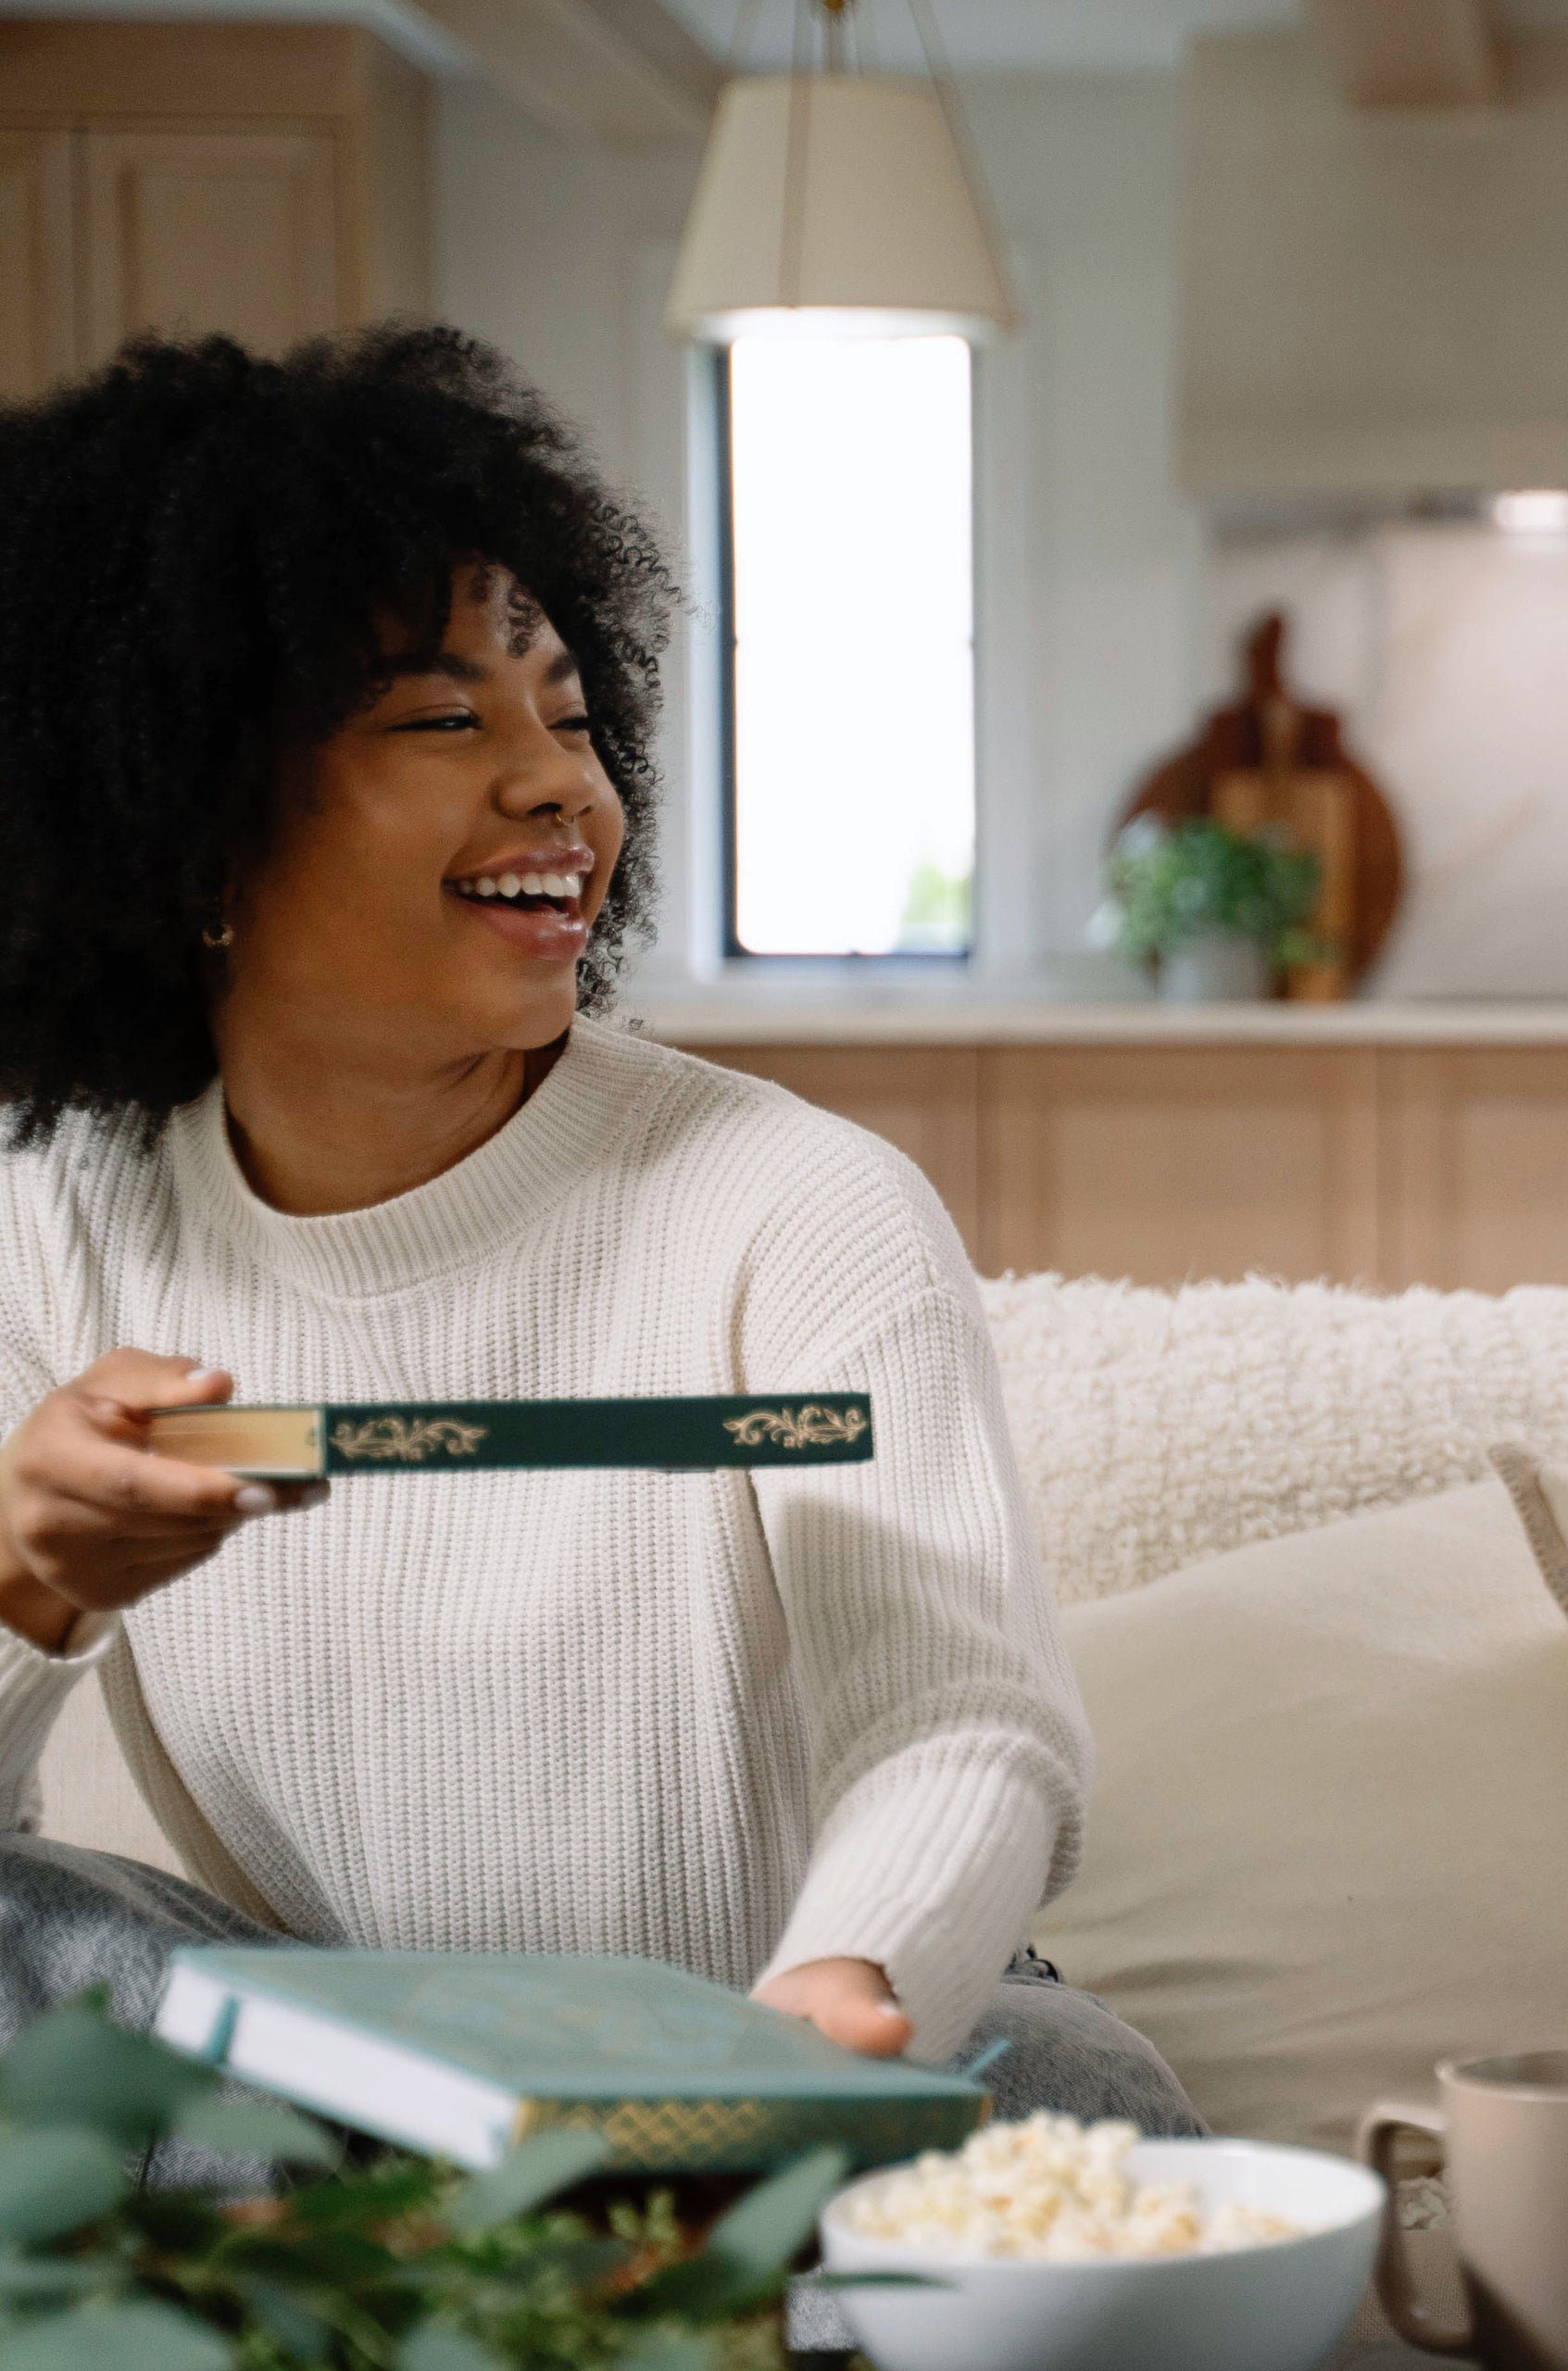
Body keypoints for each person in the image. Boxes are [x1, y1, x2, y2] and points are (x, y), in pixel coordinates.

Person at [0, 326, 1190, 2133]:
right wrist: (28, 1575)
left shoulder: (795, 1205)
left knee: (1080, 2096)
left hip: (802, 2035)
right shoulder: (58, 1216)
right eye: (447, 718)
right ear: (184, 827)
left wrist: (824, 2016)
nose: (565, 787)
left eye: (567, 712)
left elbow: (963, 1720)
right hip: (363, 2070)